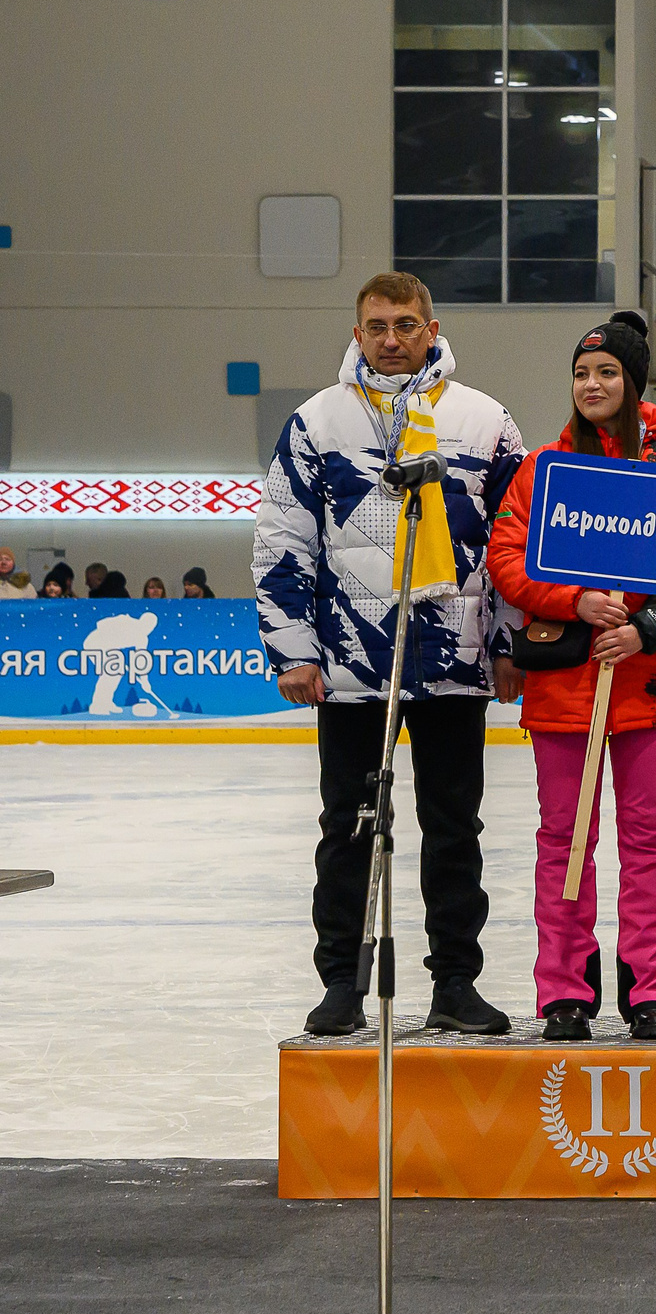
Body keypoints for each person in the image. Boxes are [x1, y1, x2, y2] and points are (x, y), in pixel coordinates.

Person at [251, 271, 526, 1037]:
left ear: (432, 329)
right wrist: (295, 650)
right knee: (349, 826)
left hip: (455, 664)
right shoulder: (317, 422)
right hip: (347, 670)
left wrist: (508, 645)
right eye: (377, 324)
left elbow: (516, 540)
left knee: (453, 830)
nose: (392, 337)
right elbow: (283, 540)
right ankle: (343, 980)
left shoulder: (483, 421)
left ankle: (455, 984)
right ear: (356, 333)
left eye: (406, 323)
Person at [490, 313, 656, 1043]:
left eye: (607, 372)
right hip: (564, 691)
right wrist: (576, 602)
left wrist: (643, 627)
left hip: (646, 687)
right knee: (565, 836)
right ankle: (565, 990)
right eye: (582, 373)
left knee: (650, 841)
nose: (592, 384)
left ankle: (651, 988)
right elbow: (507, 559)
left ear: (633, 380)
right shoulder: (541, 467)